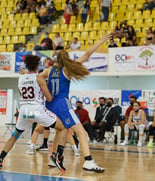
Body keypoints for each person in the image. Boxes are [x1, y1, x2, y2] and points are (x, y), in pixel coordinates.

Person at [40, 34, 112, 173]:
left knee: (60, 131)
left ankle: (53, 157)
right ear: (67, 59)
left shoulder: (49, 70)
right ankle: (88, 161)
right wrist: (101, 40)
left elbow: (38, 78)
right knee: (82, 133)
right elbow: (87, 54)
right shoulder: (67, 69)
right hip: (62, 104)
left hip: (50, 105)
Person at [0, 55, 68, 172]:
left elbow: (22, 92)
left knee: (14, 136)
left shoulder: (20, 78)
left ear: (26, 66)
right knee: (63, 128)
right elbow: (48, 98)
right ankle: (58, 156)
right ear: (38, 66)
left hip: (24, 111)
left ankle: (0, 159)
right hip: (37, 110)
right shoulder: (39, 79)